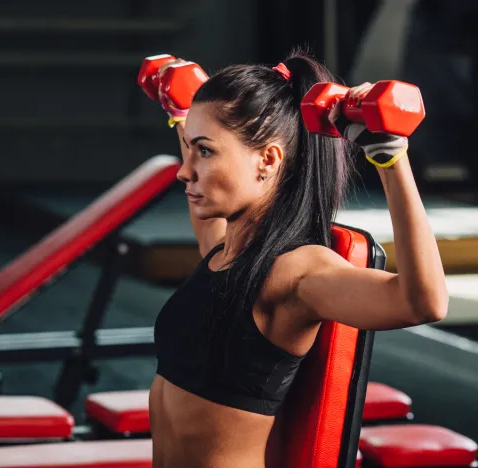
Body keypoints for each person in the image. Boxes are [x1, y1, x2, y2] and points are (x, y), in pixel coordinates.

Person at [148, 48, 448, 468]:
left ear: (267, 160)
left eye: (205, 151)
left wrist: (390, 158)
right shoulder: (225, 250)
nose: (185, 170)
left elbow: (424, 303)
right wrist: (184, 114)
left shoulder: (297, 271)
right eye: (190, 148)